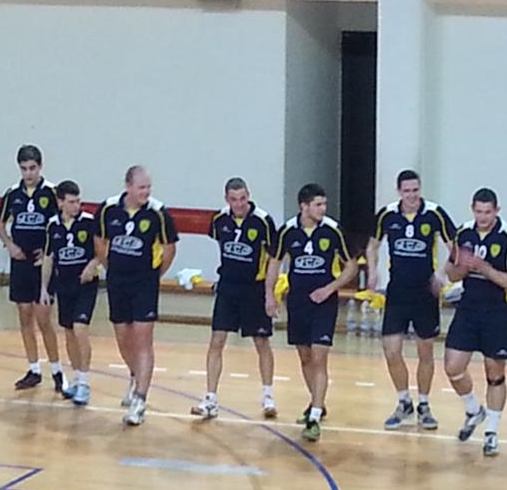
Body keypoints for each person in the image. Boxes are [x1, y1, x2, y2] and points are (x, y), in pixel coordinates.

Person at [265, 183, 357, 442]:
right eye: (318, 204)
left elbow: (351, 266)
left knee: (319, 356)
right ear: (303, 206)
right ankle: (318, 403)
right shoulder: (287, 231)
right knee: (305, 357)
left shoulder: (333, 230)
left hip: (324, 303)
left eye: (324, 204)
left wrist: (329, 289)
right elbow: (274, 263)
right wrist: (269, 295)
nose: (323, 209)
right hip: (298, 301)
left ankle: (314, 417)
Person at [366, 170, 456, 431]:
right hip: (397, 292)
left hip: (425, 293)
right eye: (407, 191)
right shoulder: (387, 215)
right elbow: (372, 245)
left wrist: (442, 275)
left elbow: (456, 247)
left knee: (425, 351)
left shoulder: (434, 214)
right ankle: (404, 401)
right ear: (399, 192)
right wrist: (373, 271)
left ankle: (424, 405)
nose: (412, 195)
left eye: (416, 190)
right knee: (391, 350)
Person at [443, 188, 507, 456]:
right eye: (478, 212)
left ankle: (492, 432)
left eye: (487, 212)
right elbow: (451, 273)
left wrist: (484, 268)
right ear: (472, 209)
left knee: (495, 373)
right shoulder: (463, 233)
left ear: (497, 210)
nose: (483, 217)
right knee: (452, 367)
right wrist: (464, 267)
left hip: (497, 311)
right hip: (468, 308)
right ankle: (473, 409)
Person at [95, 165, 178, 425]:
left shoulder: (158, 213)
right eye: (142, 187)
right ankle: (135, 375)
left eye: (149, 187)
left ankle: (140, 400)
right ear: (128, 186)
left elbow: (170, 248)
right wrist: (110, 267)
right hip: (117, 281)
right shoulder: (108, 209)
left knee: (143, 340)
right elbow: (99, 242)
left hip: (144, 283)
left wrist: (154, 275)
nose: (146, 192)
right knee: (123, 337)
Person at [191, 178, 278, 420]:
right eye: (233, 199)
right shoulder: (220, 220)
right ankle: (210, 399)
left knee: (261, 341)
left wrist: (270, 293)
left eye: (243, 198)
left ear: (248, 195)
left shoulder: (263, 221)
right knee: (217, 340)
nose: (239, 204)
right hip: (228, 288)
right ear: (226, 199)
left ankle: (268, 396)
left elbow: (274, 257)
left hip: (254, 289)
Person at [0, 145, 64, 390]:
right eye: (24, 168)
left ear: (40, 166)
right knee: (24, 316)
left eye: (32, 168)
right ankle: (34, 369)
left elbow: (62, 225)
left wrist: (48, 252)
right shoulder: (12, 193)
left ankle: (57, 371)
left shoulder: (52, 192)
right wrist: (10, 244)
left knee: (44, 318)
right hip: (20, 263)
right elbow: (0, 224)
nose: (28, 173)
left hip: (42, 265)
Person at [40, 180, 100, 406]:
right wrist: (44, 288)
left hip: (85, 284)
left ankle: (84, 383)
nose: (77, 206)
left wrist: (92, 264)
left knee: (80, 328)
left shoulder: (89, 222)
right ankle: (76, 378)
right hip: (63, 284)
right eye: (72, 202)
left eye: (78, 201)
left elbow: (102, 249)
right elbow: (49, 257)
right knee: (69, 332)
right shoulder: (52, 225)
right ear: (60, 203)